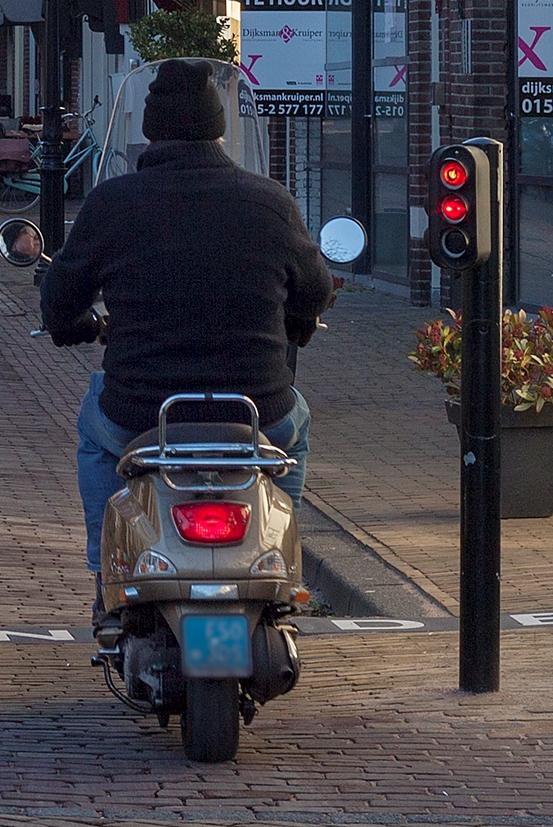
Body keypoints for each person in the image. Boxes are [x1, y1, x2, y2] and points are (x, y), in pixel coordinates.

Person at [36, 59, 335, 603]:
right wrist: (295, 324)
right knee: (300, 425)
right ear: (217, 126)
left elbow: (58, 301)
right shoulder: (271, 202)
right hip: (255, 411)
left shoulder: (112, 203)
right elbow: (315, 291)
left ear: (151, 127)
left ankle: (109, 573)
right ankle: (283, 568)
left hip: (140, 413)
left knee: (94, 435)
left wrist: (77, 326)